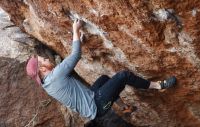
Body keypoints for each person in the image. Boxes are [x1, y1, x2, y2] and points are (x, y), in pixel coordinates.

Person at [26, 19, 176, 120]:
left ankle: (125, 108)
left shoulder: (48, 83)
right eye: (43, 60)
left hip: (91, 99)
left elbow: (66, 66)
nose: (47, 59)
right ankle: (157, 86)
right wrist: (75, 30)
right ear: (42, 69)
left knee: (104, 79)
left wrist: (80, 41)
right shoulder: (56, 76)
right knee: (123, 76)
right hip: (97, 106)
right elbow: (75, 55)